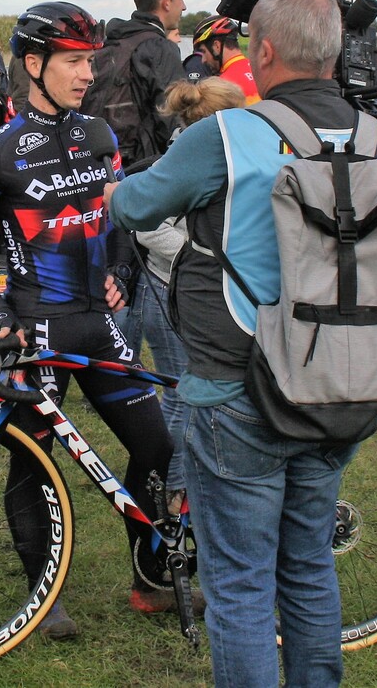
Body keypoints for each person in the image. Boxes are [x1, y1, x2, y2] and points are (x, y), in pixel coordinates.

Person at [106, 0, 377, 687]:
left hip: (237, 386)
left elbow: (135, 204)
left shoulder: (230, 133)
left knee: (242, 583)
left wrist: (112, 191)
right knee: (307, 564)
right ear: (337, 52)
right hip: (341, 385)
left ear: (265, 50)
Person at [0, 0, 182, 639]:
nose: (87, 74)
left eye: (90, 61)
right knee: (35, 464)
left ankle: (152, 578)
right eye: (74, 61)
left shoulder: (101, 137)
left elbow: (114, 217)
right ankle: (42, 596)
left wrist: (116, 273)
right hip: (33, 328)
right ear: (33, 63)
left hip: (96, 322)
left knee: (157, 447)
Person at [123, 76, 247, 513]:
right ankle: (170, 490)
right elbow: (147, 225)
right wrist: (203, 259)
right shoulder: (185, 158)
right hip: (171, 291)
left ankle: (170, 484)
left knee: (186, 394)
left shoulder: (208, 152)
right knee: (179, 394)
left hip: (189, 290)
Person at [100, 0, 187, 164]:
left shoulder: (113, 41)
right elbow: (172, 117)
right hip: (144, 165)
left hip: (107, 159)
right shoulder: (160, 48)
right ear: (166, 2)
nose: (184, 7)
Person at [190, 15, 260, 104]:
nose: (203, 60)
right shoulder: (261, 71)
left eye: (203, 52)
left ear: (216, 46)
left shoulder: (222, 87)